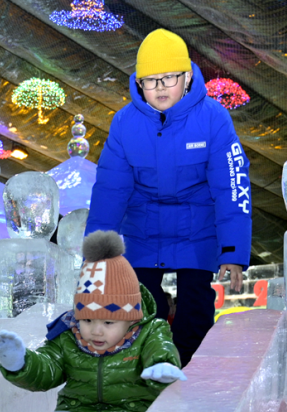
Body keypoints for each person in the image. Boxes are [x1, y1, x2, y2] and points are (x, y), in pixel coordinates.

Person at [84, 28, 252, 367]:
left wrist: (232, 251)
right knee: (144, 307)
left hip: (198, 229)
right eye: (151, 80)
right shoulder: (125, 123)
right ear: (139, 82)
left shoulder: (213, 118)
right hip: (143, 231)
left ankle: (191, 373)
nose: (160, 87)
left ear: (187, 77)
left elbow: (231, 186)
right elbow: (110, 190)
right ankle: (147, 373)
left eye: (169, 78)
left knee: (195, 306)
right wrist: (97, 256)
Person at [0, 231, 184, 412]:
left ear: (130, 319)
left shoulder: (149, 332)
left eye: (108, 322)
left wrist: (161, 367)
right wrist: (20, 363)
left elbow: (160, 349)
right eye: (88, 319)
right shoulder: (68, 334)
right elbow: (48, 368)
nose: (96, 331)